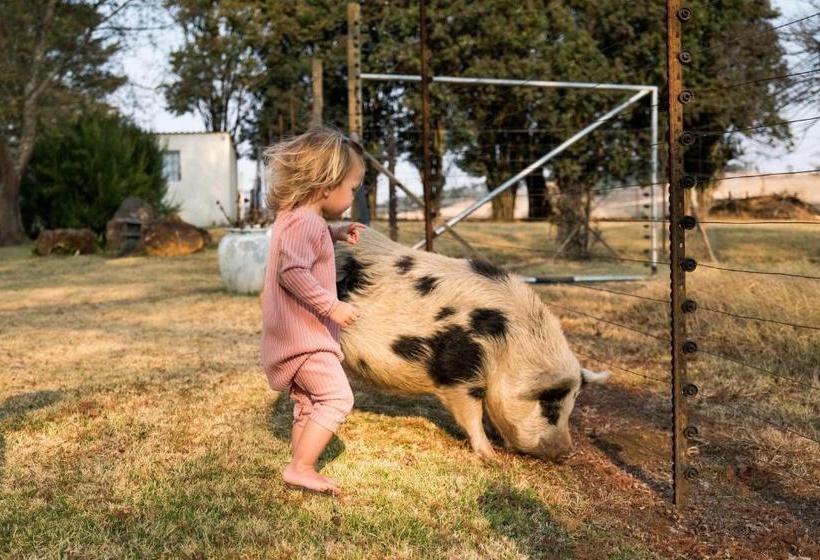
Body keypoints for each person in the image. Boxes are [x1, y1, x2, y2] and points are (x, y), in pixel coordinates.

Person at [260, 127, 366, 494]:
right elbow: (292, 272)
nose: (353, 195)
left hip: (291, 337)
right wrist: (332, 306)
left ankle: (299, 461)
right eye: (352, 188)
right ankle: (302, 467)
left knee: (308, 402)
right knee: (338, 398)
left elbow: (310, 235)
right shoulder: (305, 223)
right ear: (325, 186)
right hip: (306, 338)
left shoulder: (294, 217)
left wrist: (334, 232)